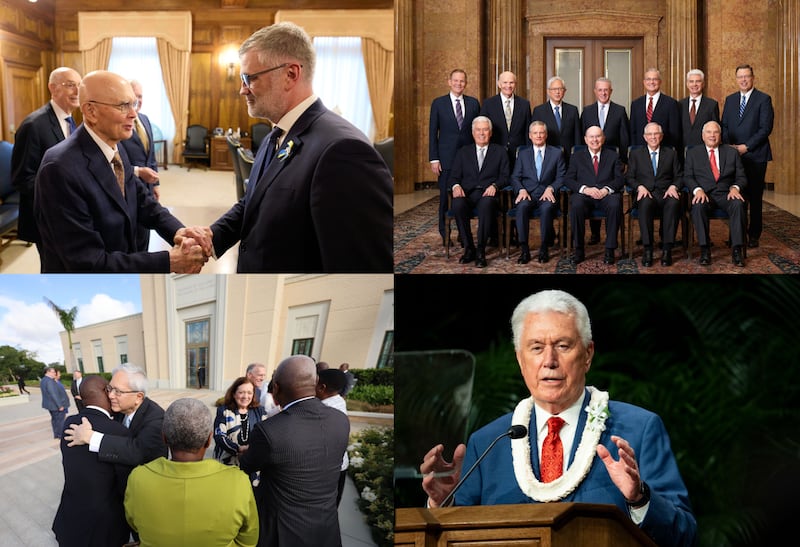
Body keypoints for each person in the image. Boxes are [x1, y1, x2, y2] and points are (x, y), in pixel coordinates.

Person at [420, 289, 697, 547]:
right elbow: (455, 538)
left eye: (563, 346)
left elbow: (684, 535)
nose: (549, 360)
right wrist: (444, 504)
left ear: (587, 354)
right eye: (537, 347)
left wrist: (640, 499)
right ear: (520, 359)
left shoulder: (639, 429)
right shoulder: (488, 443)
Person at [209, 22, 393, 273]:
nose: (242, 89)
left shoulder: (344, 152)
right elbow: (254, 202)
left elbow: (360, 268)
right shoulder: (276, 134)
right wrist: (211, 238)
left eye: (249, 78)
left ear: (291, 74)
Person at [34, 69, 211, 273]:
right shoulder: (58, 169)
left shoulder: (116, 146)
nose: (134, 114)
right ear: (91, 112)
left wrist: (178, 230)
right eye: (123, 106)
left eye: (133, 103)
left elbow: (140, 198)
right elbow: (87, 262)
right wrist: (169, 261)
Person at [240, 355, 350, 547]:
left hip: (282, 532)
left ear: (276, 388)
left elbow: (247, 465)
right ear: (315, 383)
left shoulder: (269, 430)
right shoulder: (340, 420)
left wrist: (245, 451)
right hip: (326, 528)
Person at [125, 398, 259, 547]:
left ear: (164, 437)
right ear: (209, 440)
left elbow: (134, 524)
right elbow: (248, 541)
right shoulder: (238, 481)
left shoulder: (138, 478)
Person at [52, 375, 132, 547]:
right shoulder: (118, 432)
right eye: (111, 390)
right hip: (105, 526)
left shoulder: (69, 423)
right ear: (106, 391)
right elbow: (124, 485)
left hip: (70, 519)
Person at [11, 67, 82, 252]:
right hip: (47, 217)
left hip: (71, 214)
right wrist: (62, 194)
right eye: (70, 85)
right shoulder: (33, 126)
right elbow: (22, 179)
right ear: (53, 88)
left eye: (79, 86)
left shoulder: (71, 120)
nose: (77, 91)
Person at [63, 363, 168, 467]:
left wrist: (90, 437)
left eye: (118, 391)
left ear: (138, 397)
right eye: (110, 388)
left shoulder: (157, 419)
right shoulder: (120, 409)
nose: (110, 395)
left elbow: (138, 452)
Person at [721, 64, 774, 248]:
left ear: (753, 77)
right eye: (740, 77)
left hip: (755, 156)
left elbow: (765, 128)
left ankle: (754, 235)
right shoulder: (730, 99)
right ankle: (737, 235)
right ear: (736, 79)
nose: (743, 80)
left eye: (747, 76)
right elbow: (724, 126)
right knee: (736, 196)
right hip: (734, 156)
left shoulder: (763, 99)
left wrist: (746, 146)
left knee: (754, 197)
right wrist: (730, 147)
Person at [448, 116, 509, 268]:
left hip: (488, 195)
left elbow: (506, 176)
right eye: (478, 130)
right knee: (457, 205)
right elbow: (453, 176)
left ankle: (481, 250)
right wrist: (456, 186)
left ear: (491, 132)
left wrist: (495, 185)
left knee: (486, 205)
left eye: (485, 130)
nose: (482, 133)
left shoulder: (500, 151)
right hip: (467, 194)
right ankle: (469, 248)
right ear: (473, 132)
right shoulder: (463, 152)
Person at [429, 68, 481, 246]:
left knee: (463, 197)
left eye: (462, 81)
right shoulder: (438, 103)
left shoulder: (474, 103)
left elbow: (478, 130)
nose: (459, 84)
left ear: (466, 83)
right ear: (449, 82)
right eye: (456, 80)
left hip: (468, 160)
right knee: (445, 197)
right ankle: (445, 234)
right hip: (446, 159)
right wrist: (433, 158)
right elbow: (432, 132)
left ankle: (462, 232)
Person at [685, 121, 747, 267]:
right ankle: (705, 249)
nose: (712, 135)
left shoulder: (731, 152)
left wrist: (735, 188)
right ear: (702, 135)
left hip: (727, 194)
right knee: (698, 206)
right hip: (704, 193)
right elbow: (687, 176)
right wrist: (697, 190)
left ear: (720, 135)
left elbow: (741, 177)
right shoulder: (693, 153)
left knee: (738, 204)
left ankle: (737, 249)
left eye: (715, 132)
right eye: (709, 132)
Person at [625, 122, 683, 267]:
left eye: (656, 134)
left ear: (661, 136)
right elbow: (629, 177)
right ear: (644, 137)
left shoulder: (671, 153)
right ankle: (648, 249)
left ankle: (667, 249)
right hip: (646, 193)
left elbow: (680, 176)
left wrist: (674, 186)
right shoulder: (636, 154)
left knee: (674, 202)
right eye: (649, 134)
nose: (653, 137)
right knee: (644, 204)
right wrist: (639, 187)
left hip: (665, 193)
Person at [564, 126, 624, 265]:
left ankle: (609, 249)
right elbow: (568, 179)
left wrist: (606, 189)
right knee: (576, 204)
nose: (594, 140)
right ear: (585, 139)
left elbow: (620, 179)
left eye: (598, 136)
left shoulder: (613, 155)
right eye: (591, 137)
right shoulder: (576, 156)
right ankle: (578, 249)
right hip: (584, 195)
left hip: (606, 194)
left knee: (615, 204)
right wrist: (584, 189)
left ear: (603, 138)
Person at [581, 77, 630, 247]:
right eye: (600, 90)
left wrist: (623, 161)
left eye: (606, 90)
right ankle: (595, 234)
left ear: (611, 91)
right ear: (595, 91)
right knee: (593, 189)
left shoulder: (620, 110)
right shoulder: (587, 111)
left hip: (612, 161)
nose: (603, 93)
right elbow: (583, 139)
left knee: (609, 197)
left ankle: (611, 236)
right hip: (592, 160)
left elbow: (625, 138)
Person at [509, 121, 565, 264]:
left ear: (546, 135)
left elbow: (561, 177)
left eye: (541, 133)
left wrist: (551, 188)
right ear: (530, 136)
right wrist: (521, 189)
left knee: (546, 209)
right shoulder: (523, 154)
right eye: (535, 133)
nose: (538, 136)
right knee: (521, 208)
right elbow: (515, 176)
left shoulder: (557, 153)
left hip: (547, 193)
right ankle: (524, 249)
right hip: (527, 193)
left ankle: (544, 248)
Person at [120, 79, 160, 252]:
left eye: (141, 96)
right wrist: (137, 172)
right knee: (131, 235)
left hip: (147, 189)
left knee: (145, 231)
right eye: (135, 96)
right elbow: (115, 160)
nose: (139, 100)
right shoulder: (119, 123)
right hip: (126, 186)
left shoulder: (145, 119)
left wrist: (155, 184)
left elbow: (151, 156)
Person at [479, 71, 532, 173]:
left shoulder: (524, 104)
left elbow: (527, 131)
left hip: (519, 154)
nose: (508, 86)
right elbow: (482, 130)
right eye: (505, 82)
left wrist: (528, 153)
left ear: (515, 84)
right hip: (495, 153)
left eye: (511, 83)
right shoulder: (488, 104)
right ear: (499, 84)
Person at [214, 377, 266, 478]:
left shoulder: (259, 411)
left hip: (252, 465)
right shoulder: (224, 411)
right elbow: (219, 436)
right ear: (234, 394)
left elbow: (266, 435)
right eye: (241, 392)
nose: (245, 396)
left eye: (249, 393)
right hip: (227, 464)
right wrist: (238, 449)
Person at [316, 368, 350, 507]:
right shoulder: (339, 401)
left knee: (324, 507)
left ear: (322, 387)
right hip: (341, 465)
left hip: (330, 470)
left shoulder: (323, 410)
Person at [531, 76, 582, 168]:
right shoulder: (539, 111)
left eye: (560, 89)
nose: (557, 92)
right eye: (554, 89)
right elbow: (535, 136)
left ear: (564, 91)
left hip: (569, 157)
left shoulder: (572, 110)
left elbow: (577, 136)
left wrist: (577, 157)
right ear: (548, 91)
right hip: (547, 158)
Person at [629, 68, 681, 151]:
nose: (651, 82)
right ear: (644, 82)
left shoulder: (671, 103)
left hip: (663, 152)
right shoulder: (636, 104)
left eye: (655, 79)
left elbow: (674, 132)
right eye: (648, 79)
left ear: (660, 82)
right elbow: (633, 131)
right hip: (640, 153)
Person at [679, 69, 720, 150]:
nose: (694, 84)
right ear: (687, 84)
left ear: (703, 84)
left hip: (703, 150)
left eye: (698, 81)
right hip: (682, 150)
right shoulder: (679, 104)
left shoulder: (712, 105)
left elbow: (715, 129)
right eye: (691, 81)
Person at [40, 366, 70, 439]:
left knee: (54, 420)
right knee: (60, 421)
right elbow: (53, 394)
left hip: (50, 405)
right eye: (53, 372)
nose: (54, 374)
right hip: (55, 405)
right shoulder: (50, 381)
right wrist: (60, 405)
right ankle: (61, 435)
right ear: (48, 372)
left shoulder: (43, 380)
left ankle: (56, 434)